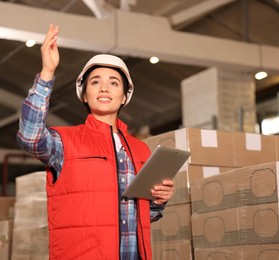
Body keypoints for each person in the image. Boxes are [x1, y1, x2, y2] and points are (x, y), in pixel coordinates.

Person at [17, 24, 175, 260]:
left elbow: (140, 216)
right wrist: (47, 73)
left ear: (124, 96)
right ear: (84, 94)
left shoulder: (140, 149)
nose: (104, 88)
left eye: (114, 82)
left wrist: (158, 201)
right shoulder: (66, 142)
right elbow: (30, 138)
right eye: (95, 82)